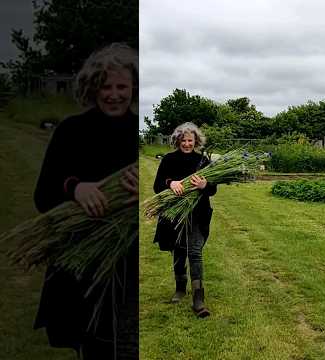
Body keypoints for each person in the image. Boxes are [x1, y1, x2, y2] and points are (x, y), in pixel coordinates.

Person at [33, 43, 139, 359]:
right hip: (85, 263)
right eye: (106, 86)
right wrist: (76, 189)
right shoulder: (71, 131)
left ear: (135, 87)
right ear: (92, 88)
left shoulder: (140, 132)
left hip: (131, 262)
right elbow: (43, 195)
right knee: (95, 345)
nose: (114, 94)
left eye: (122, 86)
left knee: (130, 343)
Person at [153, 122, 217, 318]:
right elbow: (157, 185)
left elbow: (213, 189)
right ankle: (180, 288)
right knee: (179, 250)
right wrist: (170, 183)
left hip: (198, 213)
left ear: (196, 141)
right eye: (183, 140)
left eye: (190, 140)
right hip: (175, 213)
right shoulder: (169, 159)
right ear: (177, 140)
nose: (187, 144)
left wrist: (205, 184)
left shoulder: (203, 161)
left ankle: (198, 297)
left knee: (195, 252)